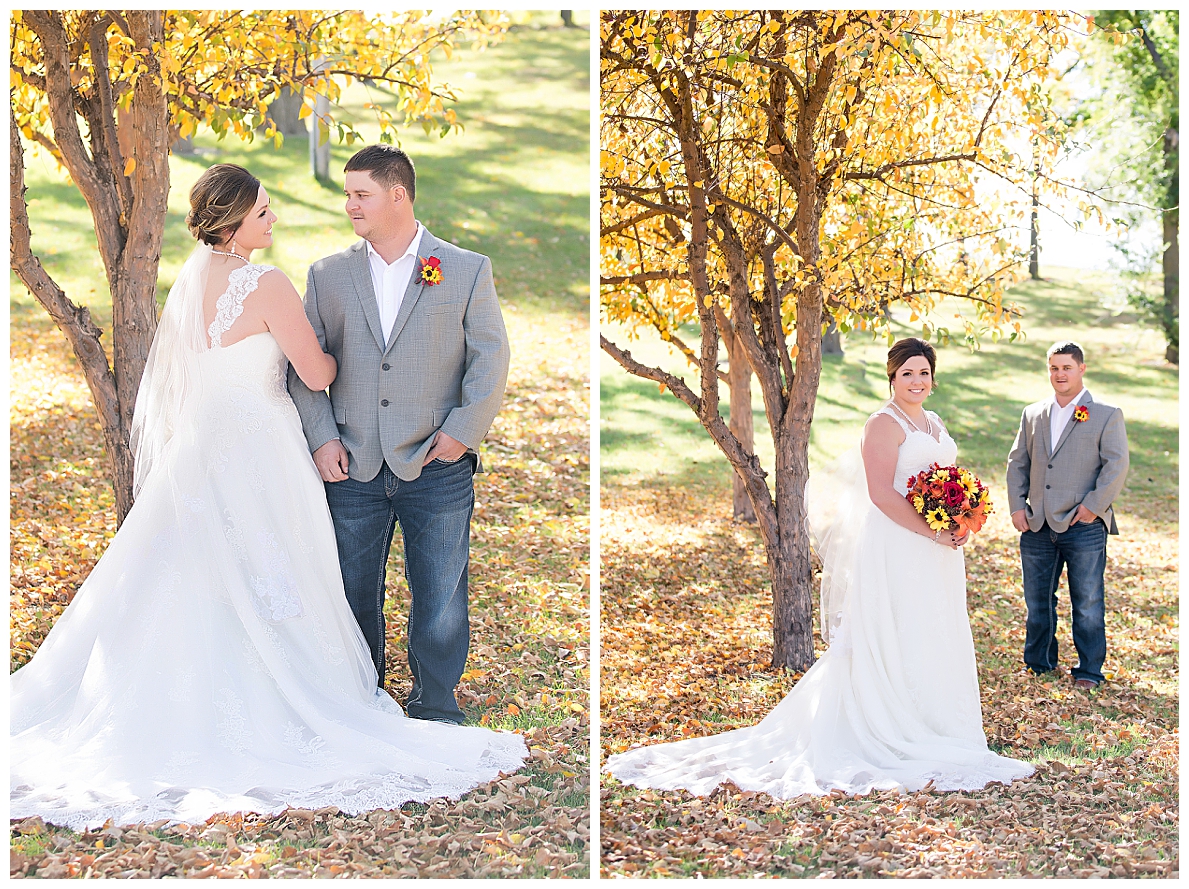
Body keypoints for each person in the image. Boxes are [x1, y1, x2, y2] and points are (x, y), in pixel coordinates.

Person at [10, 164, 526, 831]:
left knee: (190, 573)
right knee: (283, 568)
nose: (273, 220)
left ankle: (187, 698)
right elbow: (316, 370)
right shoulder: (269, 282)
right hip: (262, 449)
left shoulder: (188, 284)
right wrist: (340, 357)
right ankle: (301, 695)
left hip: (201, 454)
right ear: (234, 221)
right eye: (263, 213)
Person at [605, 338, 1034, 798]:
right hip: (898, 544)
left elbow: (947, 480)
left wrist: (960, 519)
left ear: (933, 377)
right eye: (907, 373)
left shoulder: (933, 422)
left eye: (924, 373)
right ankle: (889, 727)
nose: (916, 381)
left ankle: (936, 723)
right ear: (892, 377)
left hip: (938, 550)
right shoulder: (882, 425)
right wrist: (931, 531)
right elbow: (882, 494)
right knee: (895, 629)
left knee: (932, 629)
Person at [288, 145, 510, 725]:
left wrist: (462, 433)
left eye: (360, 194)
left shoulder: (464, 269)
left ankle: (435, 705)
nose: (349, 205)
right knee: (351, 592)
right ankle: (363, 704)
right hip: (351, 465)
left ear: (398, 195)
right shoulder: (329, 276)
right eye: (347, 194)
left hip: (437, 464)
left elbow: (490, 359)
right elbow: (304, 367)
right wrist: (321, 439)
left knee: (439, 595)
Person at [1006, 342, 1129, 690]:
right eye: (1053, 368)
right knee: (1037, 599)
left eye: (1067, 368)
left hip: (1083, 524)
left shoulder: (1106, 413)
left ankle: (1089, 670)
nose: (1060, 375)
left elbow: (1116, 466)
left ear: (1081, 369)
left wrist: (1093, 506)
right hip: (1037, 523)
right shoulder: (1033, 413)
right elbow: (1018, 462)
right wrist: (1017, 505)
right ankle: (1039, 663)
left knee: (1087, 600)